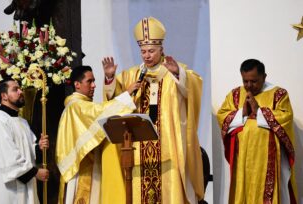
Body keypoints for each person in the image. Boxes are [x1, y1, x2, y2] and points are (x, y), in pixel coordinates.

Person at [102, 17, 204, 203]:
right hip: (138, 147)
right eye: (143, 51)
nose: (146, 56)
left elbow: (193, 87)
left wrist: (176, 74)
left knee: (168, 190)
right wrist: (110, 80)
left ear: (161, 49)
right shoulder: (131, 74)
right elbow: (113, 105)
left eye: (151, 51)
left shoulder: (175, 69)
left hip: (168, 145)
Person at [217, 59, 297, 203]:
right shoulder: (235, 94)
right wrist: (242, 112)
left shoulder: (278, 94)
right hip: (242, 158)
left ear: (264, 77)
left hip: (267, 158)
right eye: (245, 81)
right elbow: (222, 115)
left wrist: (259, 111)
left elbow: (286, 116)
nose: (249, 86)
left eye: (254, 81)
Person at [56, 65, 139, 203]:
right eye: (89, 81)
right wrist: (127, 94)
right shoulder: (76, 105)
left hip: (85, 162)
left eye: (94, 81)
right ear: (77, 84)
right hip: (81, 168)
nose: (94, 85)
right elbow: (100, 112)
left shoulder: (79, 105)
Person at [0, 78, 49, 204]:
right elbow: (8, 157)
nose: (20, 91)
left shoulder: (21, 122)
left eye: (20, 88)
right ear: (4, 96)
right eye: (15, 89)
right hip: (7, 191)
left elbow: (27, 154)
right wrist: (36, 173)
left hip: (25, 188)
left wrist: (38, 148)